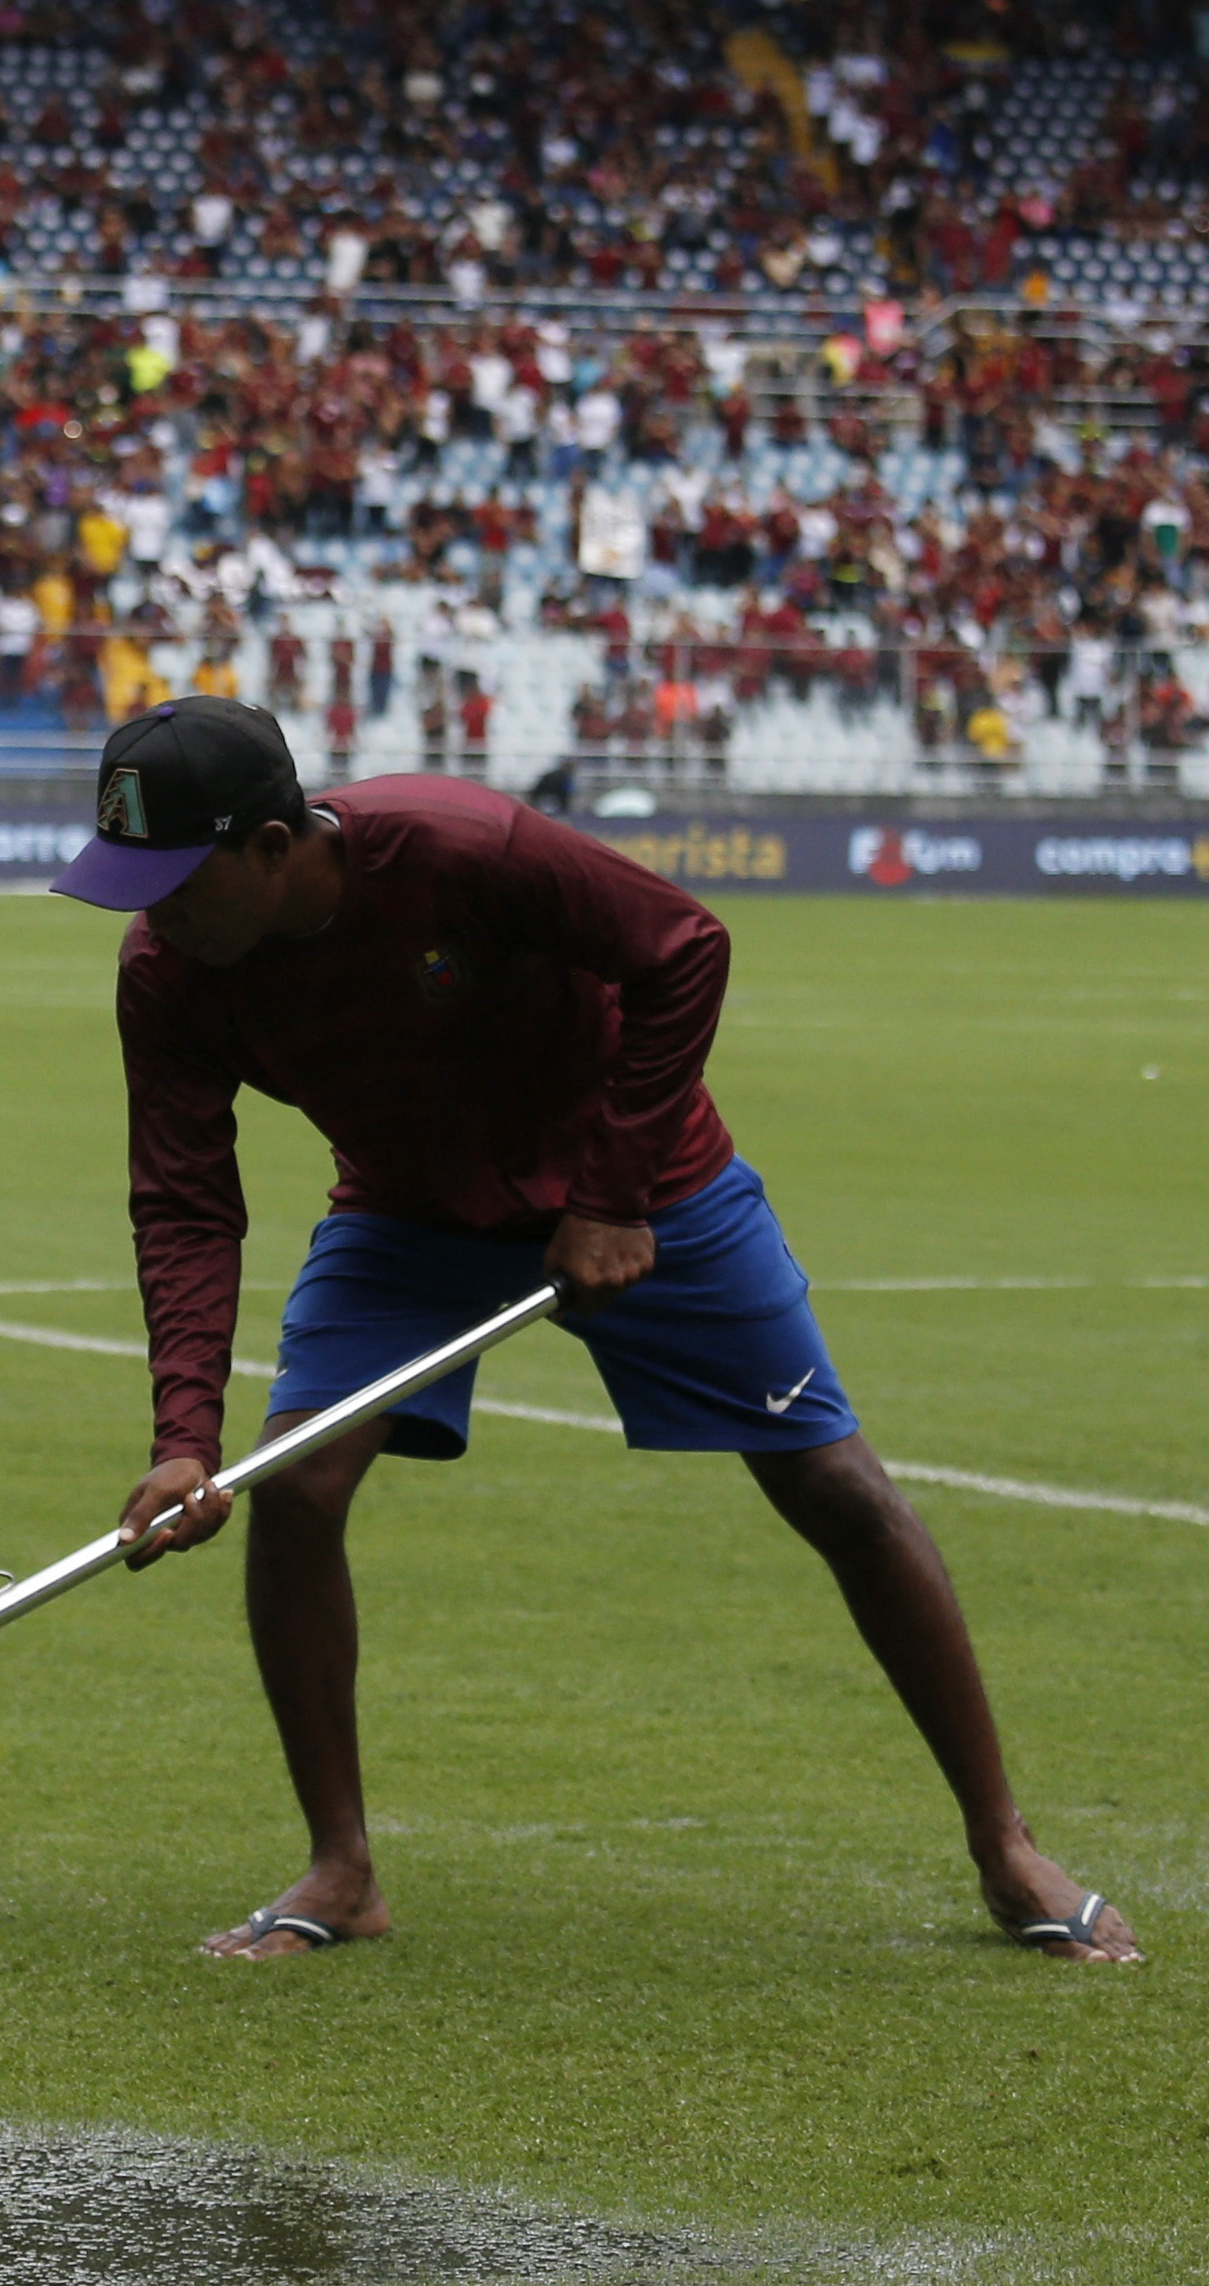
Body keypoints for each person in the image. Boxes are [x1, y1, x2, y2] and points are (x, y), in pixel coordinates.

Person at [60, 697, 1137, 1967]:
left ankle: (1004, 1842)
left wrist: (614, 1192)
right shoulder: (166, 972)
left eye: (180, 880)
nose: (158, 913)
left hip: (650, 1183)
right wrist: (185, 1437)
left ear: (276, 845)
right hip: (408, 1208)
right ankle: (342, 1869)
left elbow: (684, 945)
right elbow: (184, 1198)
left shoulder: (463, 846)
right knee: (295, 1486)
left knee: (834, 1484)